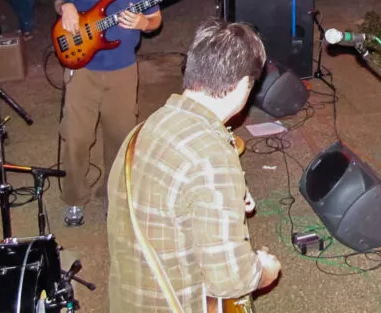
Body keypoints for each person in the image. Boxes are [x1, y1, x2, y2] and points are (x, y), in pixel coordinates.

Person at [107, 19, 281, 311]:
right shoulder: (211, 159)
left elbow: (168, 199)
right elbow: (230, 280)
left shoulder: (143, 131)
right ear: (241, 86)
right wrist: (264, 270)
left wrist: (224, 196)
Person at [56, 0, 161, 227]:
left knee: (119, 139)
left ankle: (112, 196)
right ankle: (75, 198)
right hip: (82, 69)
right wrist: (66, 8)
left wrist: (143, 23)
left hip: (123, 70)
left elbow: (156, 19)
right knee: (76, 137)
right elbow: (59, 0)